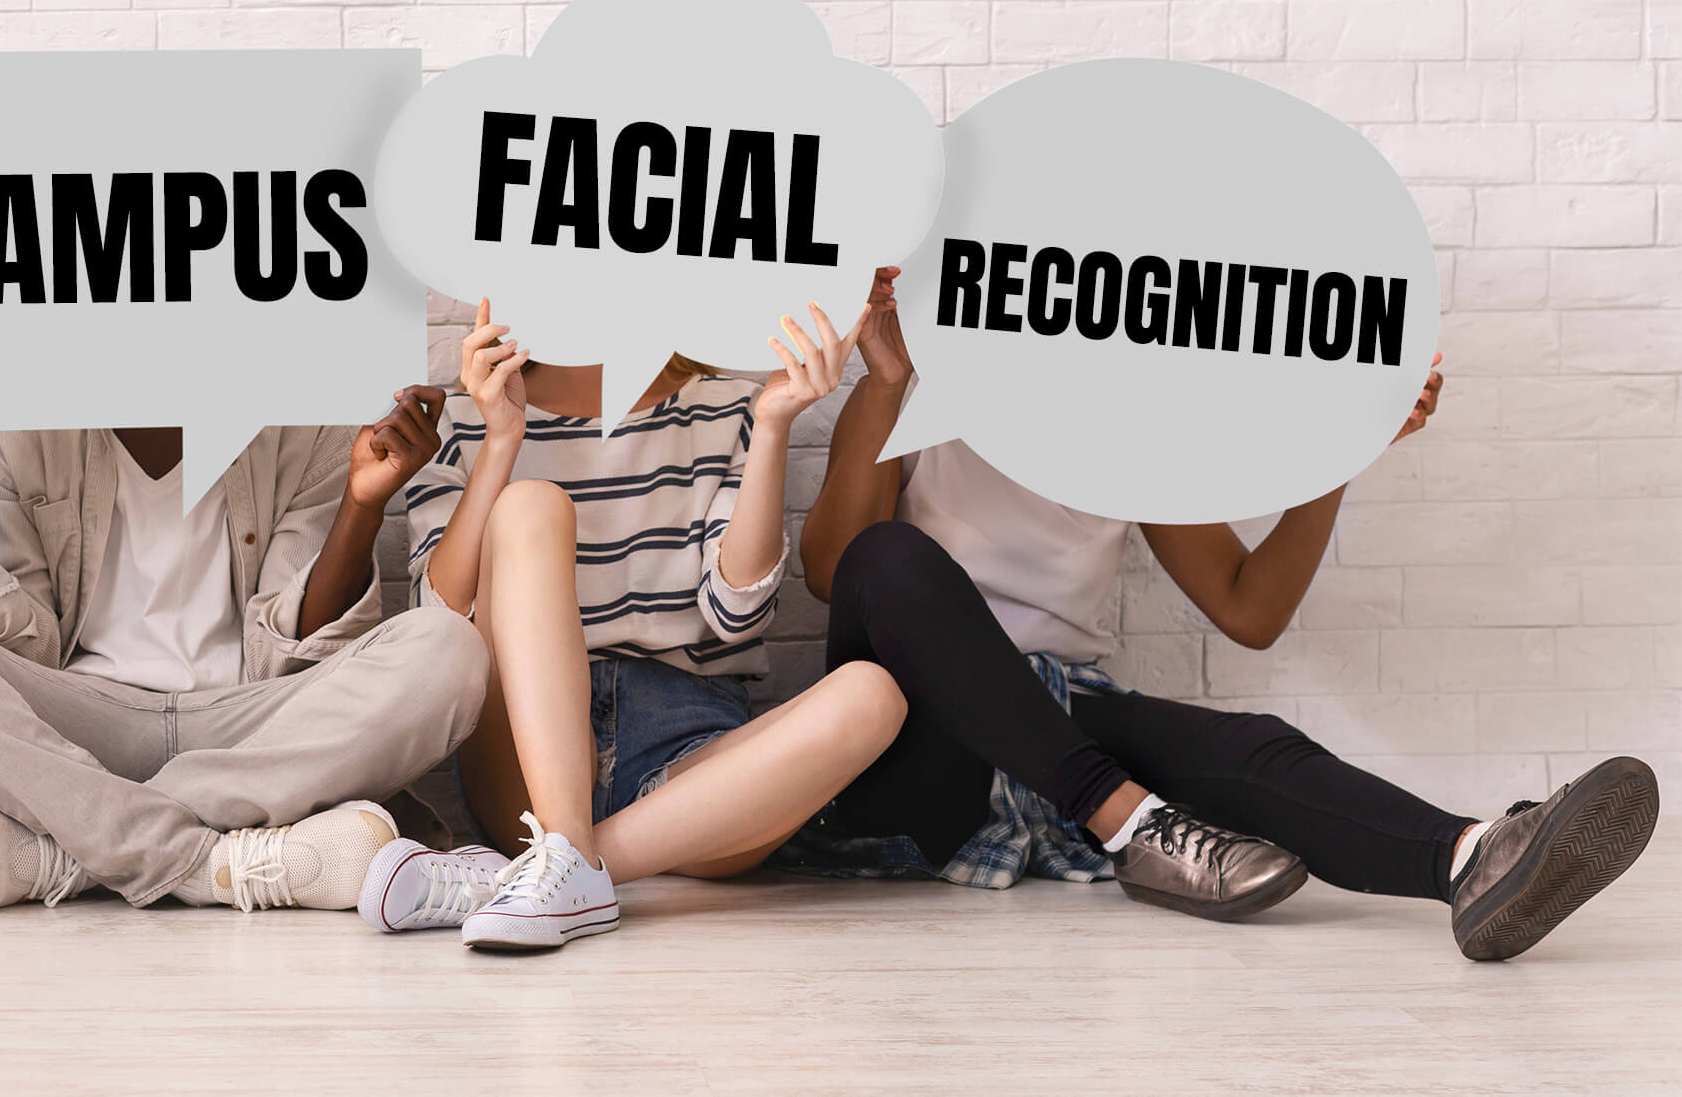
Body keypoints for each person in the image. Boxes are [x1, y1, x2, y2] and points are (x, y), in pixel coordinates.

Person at [789, 265, 1660, 961]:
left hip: (1058, 721)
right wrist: (887, 381)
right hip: (914, 738)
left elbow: (1251, 609)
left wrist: (1340, 453)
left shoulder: (1126, 431)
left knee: (1247, 747)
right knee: (890, 555)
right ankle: (1134, 826)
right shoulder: (923, 387)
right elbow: (838, 572)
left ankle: (1472, 857)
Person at [0, 384, 489, 915]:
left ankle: (70, 852)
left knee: (447, 649)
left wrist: (362, 505)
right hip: (72, 722)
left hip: (251, 727)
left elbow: (291, 656)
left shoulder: (305, 419)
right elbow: (20, 648)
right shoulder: (12, 419)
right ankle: (210, 862)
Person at [366, 300, 908, 951]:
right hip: (522, 756)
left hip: (689, 758)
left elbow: (737, 616)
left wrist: (770, 427)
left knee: (873, 696)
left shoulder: (733, 406)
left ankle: (553, 871)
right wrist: (503, 439)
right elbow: (438, 632)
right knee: (528, 505)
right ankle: (558, 850)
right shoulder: (460, 418)